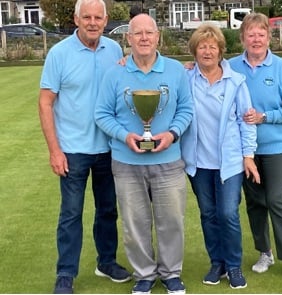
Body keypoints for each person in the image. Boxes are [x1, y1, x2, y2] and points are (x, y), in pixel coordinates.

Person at [94, 13, 193, 294]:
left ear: (158, 36)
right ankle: (145, 275)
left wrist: (172, 134)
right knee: (134, 222)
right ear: (128, 38)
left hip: (168, 159)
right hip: (126, 161)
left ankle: (171, 273)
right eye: (138, 33)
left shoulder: (175, 71)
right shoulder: (114, 73)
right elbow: (102, 114)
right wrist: (125, 136)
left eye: (149, 33)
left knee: (171, 220)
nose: (144, 38)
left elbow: (187, 109)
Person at [38, 0, 131, 293]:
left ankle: (106, 262)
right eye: (87, 17)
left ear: (106, 21)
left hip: (109, 148)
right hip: (72, 150)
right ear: (76, 19)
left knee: (107, 210)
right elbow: (45, 102)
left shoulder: (114, 50)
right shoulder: (59, 54)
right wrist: (54, 150)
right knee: (71, 214)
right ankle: (66, 273)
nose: (93, 22)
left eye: (98, 17)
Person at [228, 12, 282, 280]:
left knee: (276, 199)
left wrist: (264, 117)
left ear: (268, 37)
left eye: (261, 34)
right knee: (255, 201)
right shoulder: (231, 66)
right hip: (245, 149)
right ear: (243, 38)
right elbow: (207, 71)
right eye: (250, 34)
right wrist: (189, 68)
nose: (256, 39)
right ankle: (265, 251)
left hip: (276, 146)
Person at [181, 24, 260, 289]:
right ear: (195, 51)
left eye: (212, 46)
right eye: (202, 46)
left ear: (220, 51)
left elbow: (246, 121)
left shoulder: (236, 81)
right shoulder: (186, 78)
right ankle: (217, 263)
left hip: (229, 163)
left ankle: (234, 266)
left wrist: (248, 155)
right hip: (198, 163)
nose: (207, 51)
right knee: (208, 214)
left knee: (228, 214)